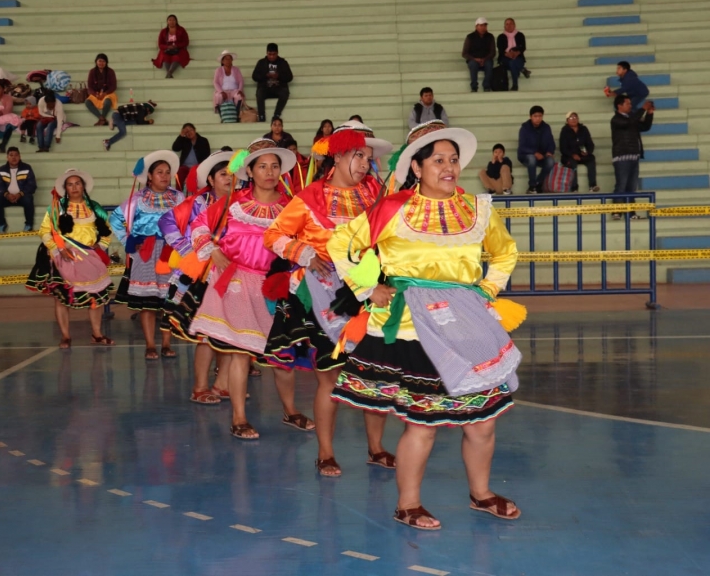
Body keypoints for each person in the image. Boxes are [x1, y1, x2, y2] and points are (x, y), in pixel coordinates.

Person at [327, 120, 522, 530]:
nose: (448, 167)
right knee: (423, 423)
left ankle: (481, 494)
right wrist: (368, 288)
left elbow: (505, 253)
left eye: (453, 159)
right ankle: (408, 504)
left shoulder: (477, 208)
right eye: (438, 160)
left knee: (483, 421)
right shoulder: (392, 208)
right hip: (414, 328)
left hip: (465, 323)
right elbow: (341, 243)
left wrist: (485, 291)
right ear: (416, 167)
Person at [264, 120, 396, 475]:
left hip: (369, 291)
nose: (365, 164)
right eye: (358, 155)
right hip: (323, 295)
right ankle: (325, 451)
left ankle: (377, 447)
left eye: (368, 158)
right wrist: (305, 253)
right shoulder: (308, 199)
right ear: (337, 157)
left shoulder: (374, 195)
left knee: (377, 374)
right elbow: (273, 236)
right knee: (330, 375)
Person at [188, 140, 297, 439]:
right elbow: (198, 226)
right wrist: (212, 250)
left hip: (275, 286)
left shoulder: (291, 205)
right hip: (236, 282)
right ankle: (239, 418)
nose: (269, 172)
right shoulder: (231, 202)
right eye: (262, 166)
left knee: (282, 355)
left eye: (275, 166)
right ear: (249, 170)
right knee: (239, 352)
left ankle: (291, 411)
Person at [159, 150, 235, 404]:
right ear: (210, 181)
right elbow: (166, 221)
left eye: (233, 174)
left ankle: (222, 385)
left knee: (230, 332)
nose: (229, 178)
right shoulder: (197, 205)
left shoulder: (243, 204)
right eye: (223, 174)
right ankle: (200, 387)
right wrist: (187, 249)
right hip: (203, 274)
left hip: (235, 274)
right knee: (206, 333)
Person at [25, 169, 115, 348]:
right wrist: (58, 249)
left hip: (90, 258)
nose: (74, 187)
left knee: (95, 297)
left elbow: (107, 232)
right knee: (61, 298)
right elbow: (44, 231)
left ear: (83, 186)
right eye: (70, 184)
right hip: (63, 257)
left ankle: (97, 334)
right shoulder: (57, 207)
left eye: (77, 183)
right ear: (65, 187)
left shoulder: (95, 207)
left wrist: (100, 249)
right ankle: (65, 336)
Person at [111, 151, 186, 359]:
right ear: (150, 176)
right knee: (148, 302)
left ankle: (167, 344)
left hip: (171, 254)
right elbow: (116, 219)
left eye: (167, 172)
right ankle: (150, 345)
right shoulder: (137, 199)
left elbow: (188, 221)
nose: (164, 176)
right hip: (146, 253)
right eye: (159, 172)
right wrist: (130, 244)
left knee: (169, 300)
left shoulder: (179, 197)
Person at [610, 96, 654, 220]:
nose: (630, 105)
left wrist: (649, 113)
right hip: (621, 157)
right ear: (619, 105)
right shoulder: (616, 119)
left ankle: (630, 212)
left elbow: (645, 127)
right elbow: (629, 123)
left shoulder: (631, 119)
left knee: (631, 187)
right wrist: (642, 109)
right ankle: (616, 211)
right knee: (621, 185)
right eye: (628, 103)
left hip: (634, 156)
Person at [0, 147, 36, 233]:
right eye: (11, 155)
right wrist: (7, 195)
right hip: (7, 197)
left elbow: (32, 185)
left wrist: (20, 194)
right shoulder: (1, 169)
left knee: (28, 199)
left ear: (20, 156)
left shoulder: (27, 168)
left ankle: (29, 224)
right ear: (7, 157)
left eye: (16, 155)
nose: (14, 157)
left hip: (22, 197)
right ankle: (2, 224)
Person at [517, 105, 555, 194]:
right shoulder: (524, 128)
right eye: (535, 116)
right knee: (532, 158)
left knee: (550, 161)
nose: (538, 118)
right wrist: (534, 153)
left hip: (542, 156)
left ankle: (537, 183)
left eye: (540, 116)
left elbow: (551, 142)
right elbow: (522, 147)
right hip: (526, 156)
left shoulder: (546, 127)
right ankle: (532, 186)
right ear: (530, 117)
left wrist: (550, 152)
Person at [252, 43, 293, 122]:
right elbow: (254, 76)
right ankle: (261, 115)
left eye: (274, 54)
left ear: (277, 53)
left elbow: (289, 77)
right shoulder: (261, 62)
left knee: (285, 92)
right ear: (267, 53)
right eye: (269, 54)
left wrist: (279, 76)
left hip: (278, 88)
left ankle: (276, 115)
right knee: (259, 93)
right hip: (265, 88)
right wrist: (265, 75)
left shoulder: (283, 62)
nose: (271, 56)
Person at [560, 111, 598, 192]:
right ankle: (574, 187)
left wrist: (587, 152)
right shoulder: (564, 131)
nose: (573, 119)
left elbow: (590, 144)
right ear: (567, 120)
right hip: (569, 156)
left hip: (582, 155)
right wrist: (572, 154)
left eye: (575, 117)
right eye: (571, 118)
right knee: (572, 163)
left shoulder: (583, 129)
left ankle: (592, 185)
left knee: (591, 159)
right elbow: (563, 148)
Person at [172, 123, 211, 188]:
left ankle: (193, 195)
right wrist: (181, 136)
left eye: (190, 130)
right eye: (186, 132)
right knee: (180, 172)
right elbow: (175, 148)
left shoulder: (203, 141)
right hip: (185, 166)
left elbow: (207, 156)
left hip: (198, 167)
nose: (189, 133)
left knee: (193, 175)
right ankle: (179, 194)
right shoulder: (184, 141)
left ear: (195, 130)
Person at [462, 18, 496, 93]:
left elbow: (493, 52)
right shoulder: (470, 37)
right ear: (476, 26)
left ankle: (487, 86)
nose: (483, 28)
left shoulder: (490, 37)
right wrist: (474, 59)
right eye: (481, 26)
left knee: (489, 64)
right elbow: (464, 53)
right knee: (473, 65)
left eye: (484, 25)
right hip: (473, 59)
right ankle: (474, 87)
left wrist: (485, 59)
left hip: (486, 59)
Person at [496, 18, 529, 91]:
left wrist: (516, 53)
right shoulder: (500, 37)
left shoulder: (520, 35)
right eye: (507, 24)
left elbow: (523, 47)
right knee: (511, 62)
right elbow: (501, 50)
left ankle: (515, 85)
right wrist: (509, 54)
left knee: (513, 62)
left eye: (511, 24)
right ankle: (522, 69)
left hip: (518, 57)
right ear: (504, 26)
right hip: (505, 58)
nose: (509, 26)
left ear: (514, 25)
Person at [86, 53, 118, 126]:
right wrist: (95, 94)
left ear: (106, 63)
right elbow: (90, 86)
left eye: (103, 61)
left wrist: (105, 93)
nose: (101, 63)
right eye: (99, 61)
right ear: (96, 62)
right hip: (96, 93)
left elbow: (113, 86)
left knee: (107, 102)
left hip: (108, 93)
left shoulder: (110, 71)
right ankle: (101, 118)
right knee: (87, 102)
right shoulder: (92, 71)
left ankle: (102, 118)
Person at [213, 50, 245, 117]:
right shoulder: (218, 70)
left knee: (239, 96)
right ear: (222, 61)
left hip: (234, 91)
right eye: (226, 59)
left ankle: (237, 114)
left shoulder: (236, 69)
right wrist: (221, 91)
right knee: (218, 96)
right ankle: (221, 114)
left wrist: (240, 90)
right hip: (223, 91)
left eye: (230, 58)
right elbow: (215, 82)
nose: (228, 60)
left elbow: (241, 81)